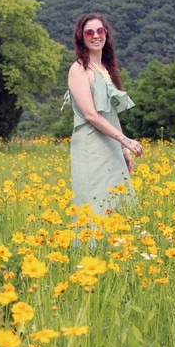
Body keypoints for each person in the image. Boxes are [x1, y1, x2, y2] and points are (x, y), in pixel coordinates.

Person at [66, 13, 143, 216]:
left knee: (119, 198)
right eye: (89, 32)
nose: (95, 36)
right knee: (94, 199)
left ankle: (115, 246)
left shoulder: (106, 69)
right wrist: (125, 140)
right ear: (81, 37)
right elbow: (90, 115)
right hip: (90, 144)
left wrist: (123, 151)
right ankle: (88, 248)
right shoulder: (79, 69)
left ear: (106, 34)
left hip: (111, 143)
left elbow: (111, 115)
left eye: (100, 31)